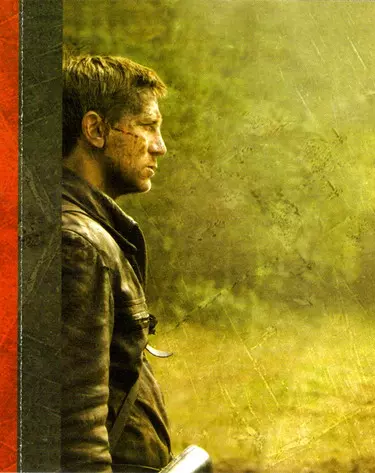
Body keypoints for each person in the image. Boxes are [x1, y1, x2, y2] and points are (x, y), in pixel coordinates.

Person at [61, 55, 171, 472]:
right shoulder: (77, 244)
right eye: (148, 126)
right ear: (96, 130)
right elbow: (75, 429)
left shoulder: (80, 232)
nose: (160, 146)